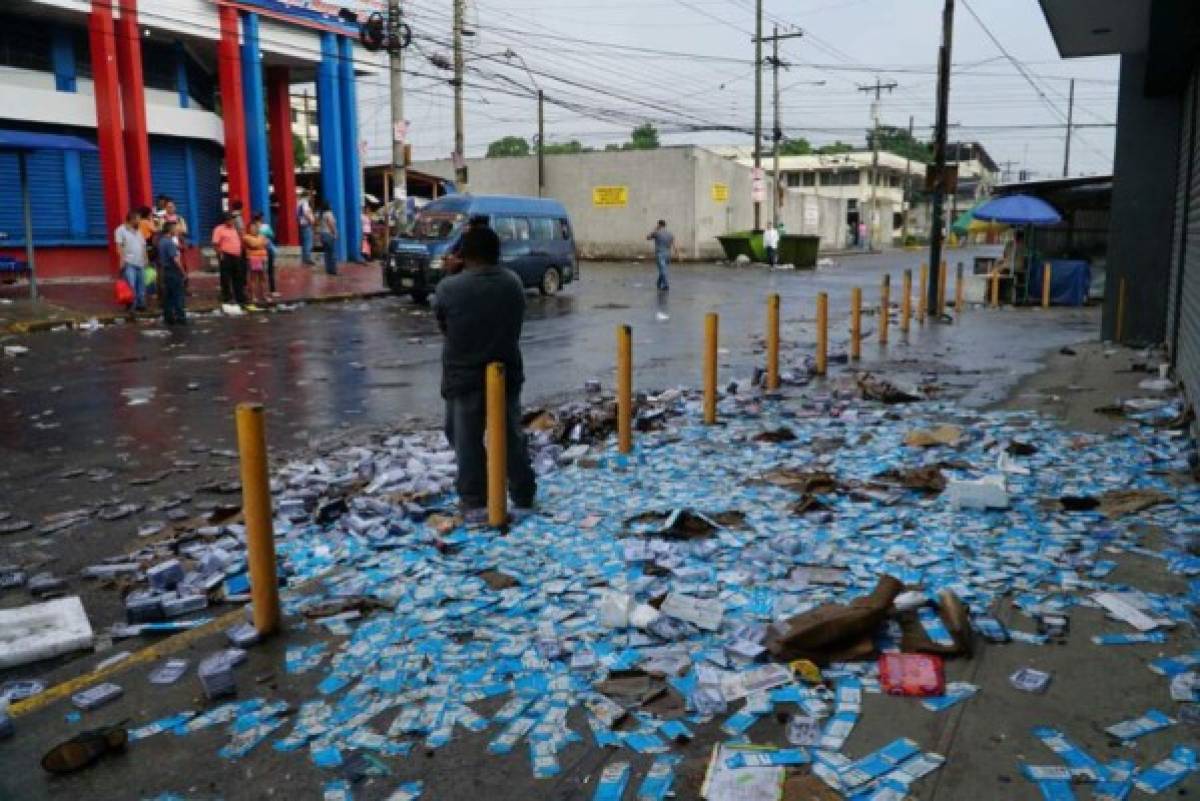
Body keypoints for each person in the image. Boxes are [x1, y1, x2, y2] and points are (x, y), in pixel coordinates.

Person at [433, 225, 537, 522]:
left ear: (464, 254)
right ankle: (523, 492)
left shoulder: (450, 288)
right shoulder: (513, 282)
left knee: (465, 441)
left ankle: (475, 501)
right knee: (510, 438)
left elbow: (444, 324)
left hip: (463, 378)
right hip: (505, 373)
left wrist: (451, 274)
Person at [114, 210, 148, 312]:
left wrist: (146, 258)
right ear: (132, 219)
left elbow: (143, 245)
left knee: (141, 285)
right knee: (131, 285)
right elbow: (119, 247)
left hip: (140, 262)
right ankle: (131, 305)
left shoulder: (138, 231)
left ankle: (141, 304)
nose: (139, 221)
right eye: (138, 219)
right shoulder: (120, 230)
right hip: (129, 262)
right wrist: (122, 261)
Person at [212, 212, 246, 306]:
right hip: (226, 255)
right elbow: (215, 244)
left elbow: (240, 240)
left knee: (238, 277)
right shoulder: (219, 229)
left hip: (236, 256)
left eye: (232, 219)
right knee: (226, 277)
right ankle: (227, 296)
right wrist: (220, 254)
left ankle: (239, 296)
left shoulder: (235, 229)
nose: (231, 221)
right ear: (225, 220)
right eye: (229, 219)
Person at [158, 221, 186, 326]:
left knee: (168, 296)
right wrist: (183, 272)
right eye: (175, 228)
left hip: (165, 271)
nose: (177, 230)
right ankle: (180, 317)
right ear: (170, 230)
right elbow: (176, 259)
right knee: (177, 295)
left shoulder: (162, 241)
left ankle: (168, 317)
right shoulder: (169, 243)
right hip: (173, 271)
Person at [243, 219, 270, 306]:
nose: (253, 229)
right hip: (253, 259)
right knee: (253, 278)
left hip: (262, 258)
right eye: (251, 228)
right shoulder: (246, 237)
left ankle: (264, 295)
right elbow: (253, 244)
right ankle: (253, 296)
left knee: (263, 278)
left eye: (255, 228)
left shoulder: (261, 236)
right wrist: (261, 243)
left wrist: (260, 243)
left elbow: (267, 243)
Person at [253, 212, 279, 297]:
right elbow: (272, 235)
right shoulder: (265, 227)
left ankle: (258, 293)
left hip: (257, 252)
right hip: (267, 250)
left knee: (257, 273)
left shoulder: (252, 227)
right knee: (270, 271)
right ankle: (272, 291)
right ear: (261, 218)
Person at [647, 219, 677, 291]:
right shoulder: (670, 234)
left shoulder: (657, 233)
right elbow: (673, 244)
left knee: (662, 270)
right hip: (668, 253)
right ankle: (658, 283)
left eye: (657, 224)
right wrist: (676, 252)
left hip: (660, 253)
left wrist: (655, 229)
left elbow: (648, 237)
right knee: (663, 269)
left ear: (659, 225)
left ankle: (666, 285)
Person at [317, 199, 339, 276]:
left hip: (323, 234)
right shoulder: (329, 214)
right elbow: (331, 224)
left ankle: (328, 269)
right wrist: (335, 233)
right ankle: (333, 270)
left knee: (327, 253)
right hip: (329, 234)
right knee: (332, 253)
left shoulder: (322, 214)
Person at [297, 190, 316, 266]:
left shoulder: (299, 202)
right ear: (307, 196)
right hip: (306, 223)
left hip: (302, 224)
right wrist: (311, 220)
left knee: (304, 242)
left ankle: (304, 259)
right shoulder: (304, 202)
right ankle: (307, 259)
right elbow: (306, 213)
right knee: (308, 242)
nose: (310, 197)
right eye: (309, 195)